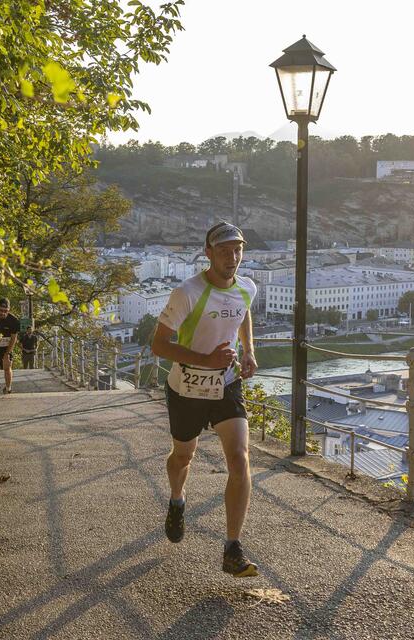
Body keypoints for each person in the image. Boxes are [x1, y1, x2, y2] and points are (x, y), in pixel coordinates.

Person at [151, 221, 259, 577]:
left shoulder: (248, 287)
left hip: (226, 384)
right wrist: (205, 360)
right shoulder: (188, 292)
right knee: (184, 455)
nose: (233, 257)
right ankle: (177, 500)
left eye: (238, 249)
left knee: (240, 458)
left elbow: (242, 314)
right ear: (208, 253)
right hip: (187, 387)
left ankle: (232, 547)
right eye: (225, 250)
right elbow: (159, 344)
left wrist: (248, 352)